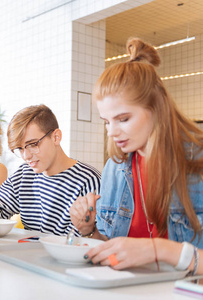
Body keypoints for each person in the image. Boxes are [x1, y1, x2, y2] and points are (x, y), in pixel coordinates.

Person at [70, 37, 203, 274]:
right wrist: (89, 230)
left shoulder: (197, 162)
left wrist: (158, 250)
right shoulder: (116, 167)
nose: (112, 132)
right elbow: (113, 251)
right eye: (106, 122)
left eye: (123, 119)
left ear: (157, 108)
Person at [0, 104, 101, 235]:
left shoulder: (89, 181)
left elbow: (100, 238)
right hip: (27, 253)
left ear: (56, 137)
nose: (26, 156)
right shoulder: (24, 174)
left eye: (32, 144)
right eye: (20, 148)